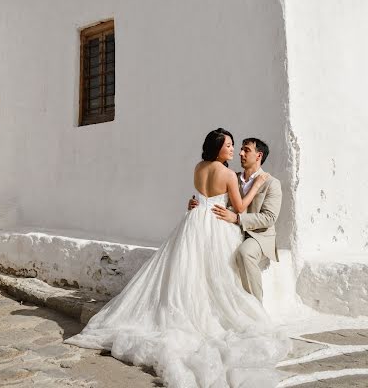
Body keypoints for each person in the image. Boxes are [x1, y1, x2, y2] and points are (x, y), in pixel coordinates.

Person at [66, 129, 288, 388]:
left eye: (238, 147)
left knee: (189, 268)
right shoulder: (229, 174)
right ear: (218, 148)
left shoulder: (198, 167)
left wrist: (197, 203)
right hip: (216, 224)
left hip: (194, 221)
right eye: (229, 145)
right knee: (214, 272)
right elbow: (238, 207)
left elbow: (206, 197)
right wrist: (254, 188)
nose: (234, 150)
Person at [189, 137, 282, 303]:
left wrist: (238, 218)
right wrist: (197, 204)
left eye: (246, 150)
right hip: (230, 231)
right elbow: (218, 202)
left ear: (259, 155)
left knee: (244, 253)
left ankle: (255, 306)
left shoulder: (271, 183)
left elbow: (269, 218)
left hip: (257, 236)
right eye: (240, 149)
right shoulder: (232, 177)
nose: (240, 153)